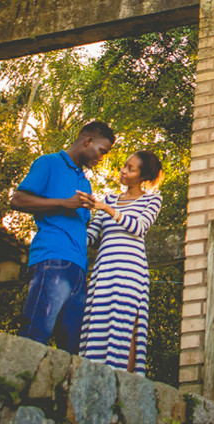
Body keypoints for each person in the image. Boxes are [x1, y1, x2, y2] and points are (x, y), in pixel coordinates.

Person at [10, 120, 115, 352]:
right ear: (87, 141)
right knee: (35, 334)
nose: (101, 158)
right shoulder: (49, 163)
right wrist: (64, 203)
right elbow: (17, 200)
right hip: (52, 260)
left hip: (79, 270)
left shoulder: (85, 183)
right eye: (102, 151)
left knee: (73, 349)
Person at [77, 149, 164, 373]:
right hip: (105, 269)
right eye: (124, 166)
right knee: (99, 319)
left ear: (143, 176)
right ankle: (93, 374)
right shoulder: (109, 199)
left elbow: (139, 227)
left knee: (125, 323)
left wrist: (107, 209)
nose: (123, 171)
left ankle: (124, 381)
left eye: (130, 169)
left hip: (131, 270)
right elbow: (91, 237)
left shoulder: (152, 199)